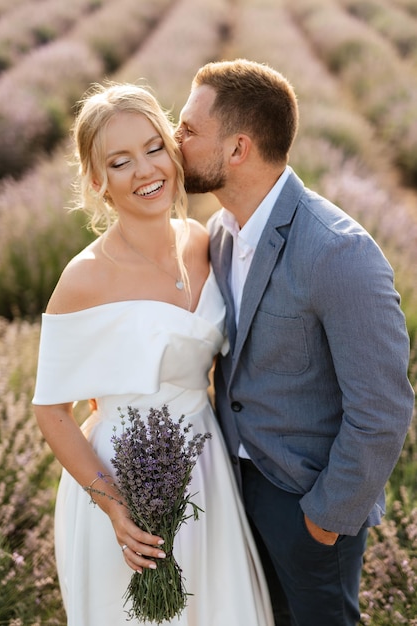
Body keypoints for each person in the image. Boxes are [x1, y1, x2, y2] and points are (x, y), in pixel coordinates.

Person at [176, 59, 415, 626]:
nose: (173, 139)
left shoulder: (339, 252)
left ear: (237, 149)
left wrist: (325, 518)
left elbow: (383, 408)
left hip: (307, 504)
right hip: (234, 491)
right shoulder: (219, 233)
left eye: (188, 129)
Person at [32, 82, 274, 626]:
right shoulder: (84, 278)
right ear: (98, 182)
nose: (145, 171)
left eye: (153, 148)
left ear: (173, 149)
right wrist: (117, 509)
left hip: (204, 462)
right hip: (122, 480)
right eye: (120, 162)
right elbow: (51, 411)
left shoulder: (204, 241)